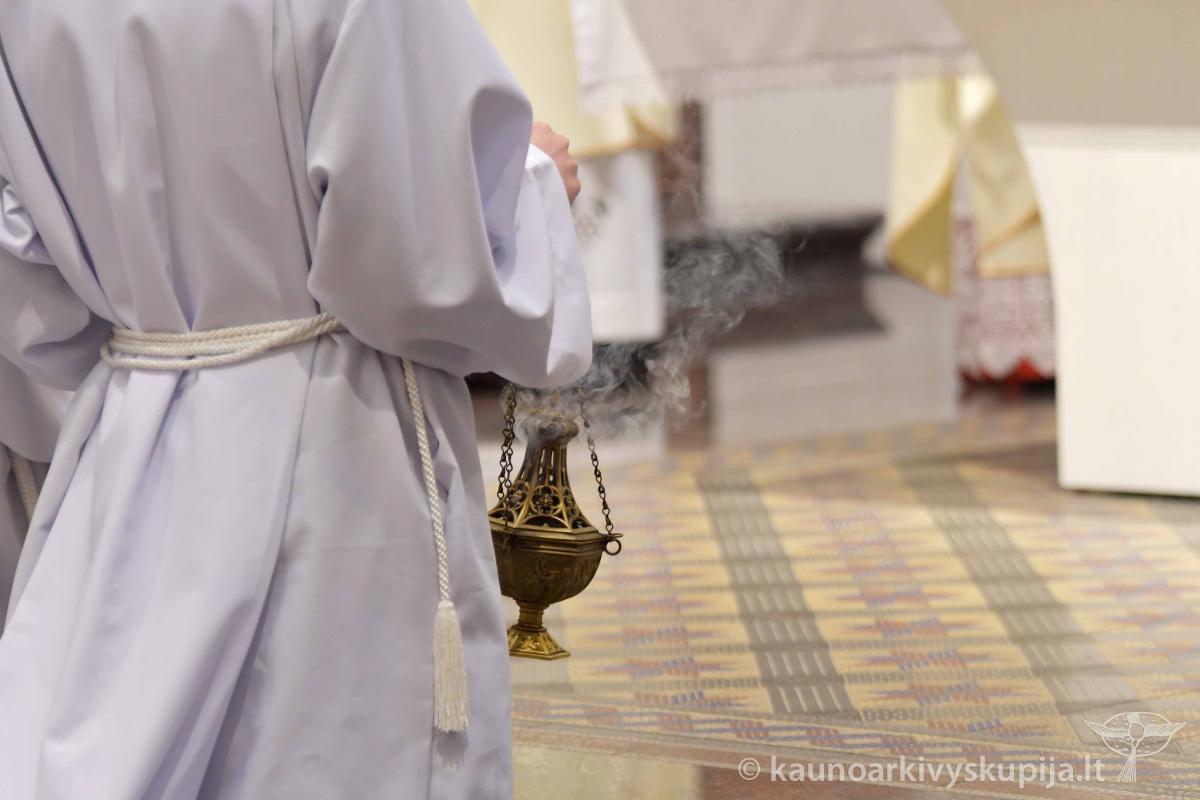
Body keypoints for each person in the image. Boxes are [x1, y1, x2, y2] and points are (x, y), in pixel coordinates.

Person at [0, 0, 591, 797]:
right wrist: (533, 185)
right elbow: (420, 264)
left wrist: (152, 332)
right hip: (341, 452)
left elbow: (29, 284)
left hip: (128, 444)